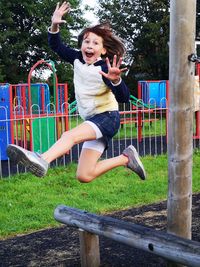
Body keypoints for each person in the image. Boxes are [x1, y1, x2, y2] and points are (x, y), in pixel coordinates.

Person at [7, 1, 146, 182]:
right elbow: (57, 46)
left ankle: (42, 159)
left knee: (69, 136)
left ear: (103, 50)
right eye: (86, 41)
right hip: (93, 120)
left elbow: (124, 98)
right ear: (81, 45)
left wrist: (116, 80)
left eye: (95, 43)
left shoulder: (104, 68)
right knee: (84, 175)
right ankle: (126, 158)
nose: (89, 45)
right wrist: (55, 23)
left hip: (107, 118)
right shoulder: (76, 59)